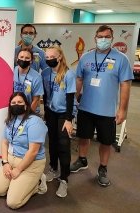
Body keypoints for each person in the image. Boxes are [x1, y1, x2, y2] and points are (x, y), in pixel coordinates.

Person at [70, 25, 134, 187]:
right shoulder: (86, 57)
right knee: (84, 136)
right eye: (100, 36)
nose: (103, 39)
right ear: (95, 38)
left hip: (107, 111)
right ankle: (82, 159)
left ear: (112, 39)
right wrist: (75, 101)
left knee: (106, 141)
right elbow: (78, 79)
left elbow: (125, 85)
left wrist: (122, 109)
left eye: (107, 37)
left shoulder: (121, 59)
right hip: (85, 107)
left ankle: (103, 168)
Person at [0, 92, 48, 209]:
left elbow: (33, 151)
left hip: (30, 163)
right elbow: (4, 143)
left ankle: (38, 183)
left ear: (26, 105)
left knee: (13, 203)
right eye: (13, 103)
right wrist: (5, 163)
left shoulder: (35, 121)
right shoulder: (11, 120)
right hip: (11, 160)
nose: (16, 104)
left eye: (20, 102)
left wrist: (18, 169)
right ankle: (18, 184)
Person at [41, 45, 76, 197]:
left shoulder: (68, 74)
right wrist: (46, 113)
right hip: (51, 112)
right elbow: (45, 95)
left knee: (63, 145)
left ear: (60, 57)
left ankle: (64, 179)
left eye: (52, 57)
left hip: (64, 114)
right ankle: (53, 168)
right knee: (52, 142)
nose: (49, 60)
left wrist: (69, 119)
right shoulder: (46, 73)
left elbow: (70, 98)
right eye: (47, 57)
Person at [13, 48, 44, 113]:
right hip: (15, 109)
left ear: (31, 61)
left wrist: (28, 115)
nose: (24, 59)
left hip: (30, 110)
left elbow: (36, 100)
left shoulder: (36, 77)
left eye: (27, 58)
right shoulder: (12, 71)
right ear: (17, 59)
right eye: (21, 57)